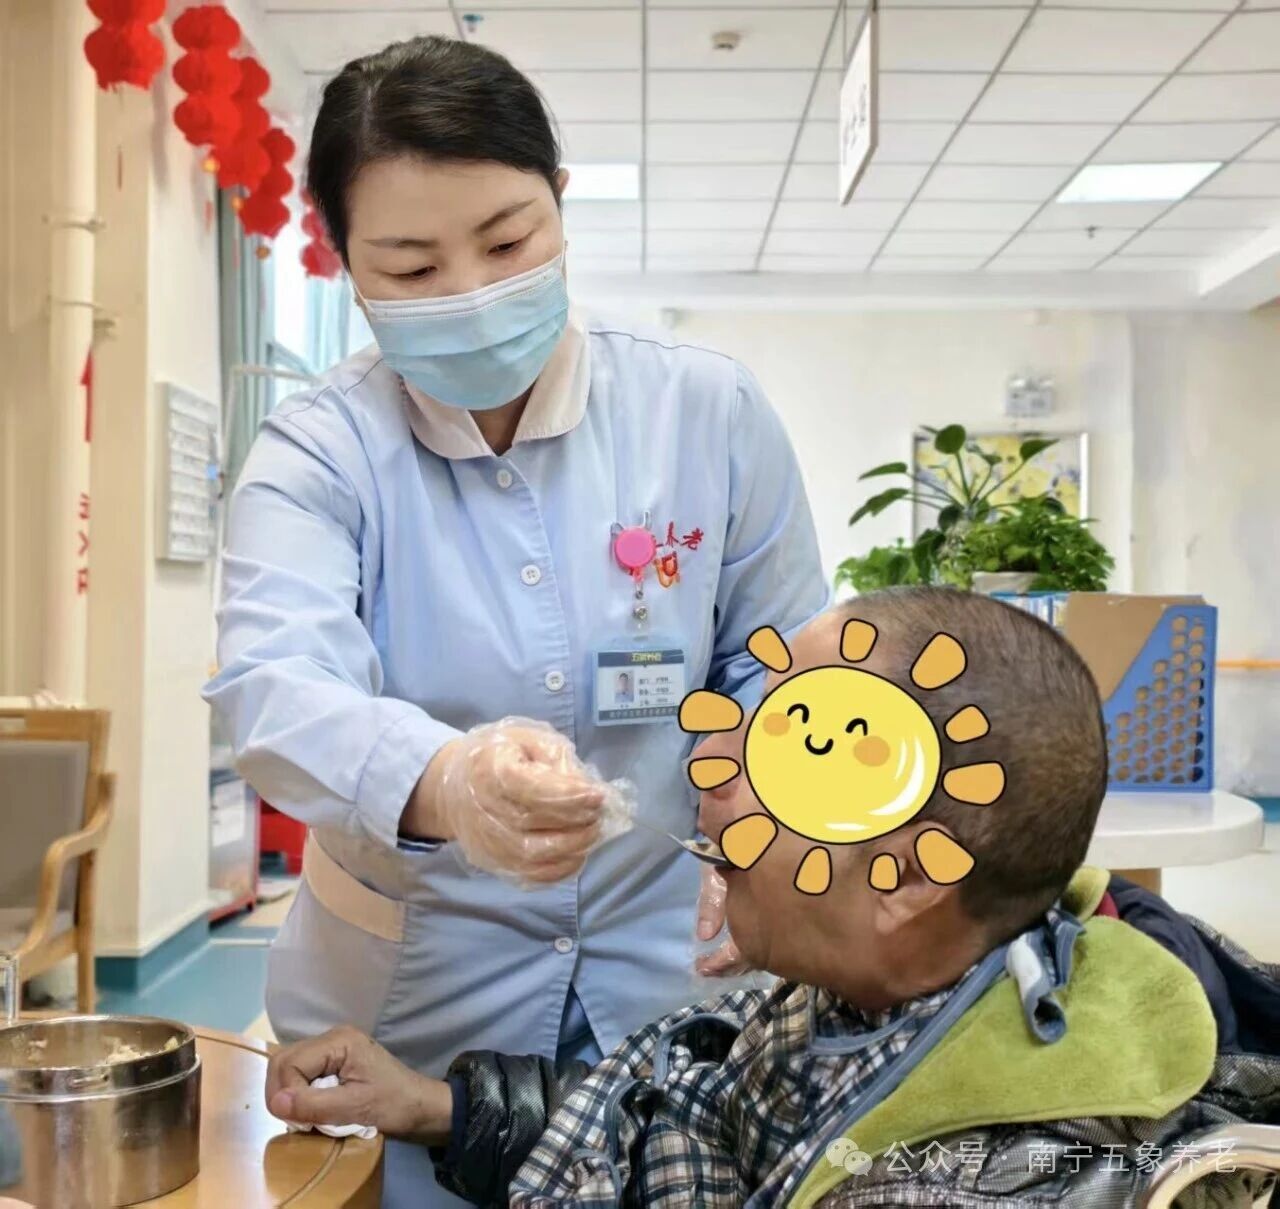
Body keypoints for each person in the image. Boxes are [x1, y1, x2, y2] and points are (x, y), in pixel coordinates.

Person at [202, 33, 827, 1208]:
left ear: (559, 203)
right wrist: (446, 782)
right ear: (344, 264)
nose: (471, 295)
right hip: (408, 1013)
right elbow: (275, 690)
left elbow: (779, 663)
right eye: (411, 266)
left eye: (506, 243)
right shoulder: (317, 455)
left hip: (671, 982)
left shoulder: (704, 413)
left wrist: (762, 809)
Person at [263, 589, 1280, 1207]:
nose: (712, 764)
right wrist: (441, 1107)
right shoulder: (886, 990)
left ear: (909, 877)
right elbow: (695, 1114)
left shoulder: (960, 1179)